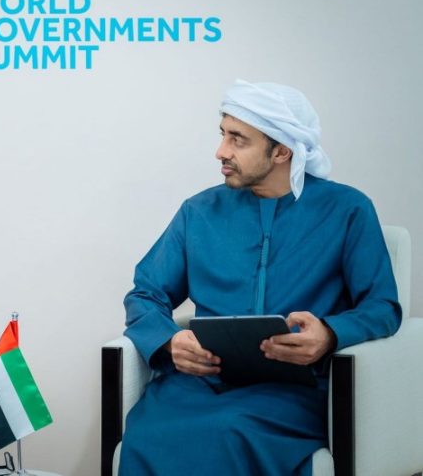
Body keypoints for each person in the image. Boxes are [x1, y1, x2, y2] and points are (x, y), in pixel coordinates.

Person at [120, 80, 401, 475]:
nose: (221, 151)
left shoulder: (347, 210)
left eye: (238, 139)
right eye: (223, 134)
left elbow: (382, 306)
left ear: (282, 151)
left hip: (292, 391)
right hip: (198, 383)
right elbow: (146, 293)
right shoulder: (198, 211)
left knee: (229, 430)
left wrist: (329, 334)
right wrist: (169, 341)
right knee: (148, 432)